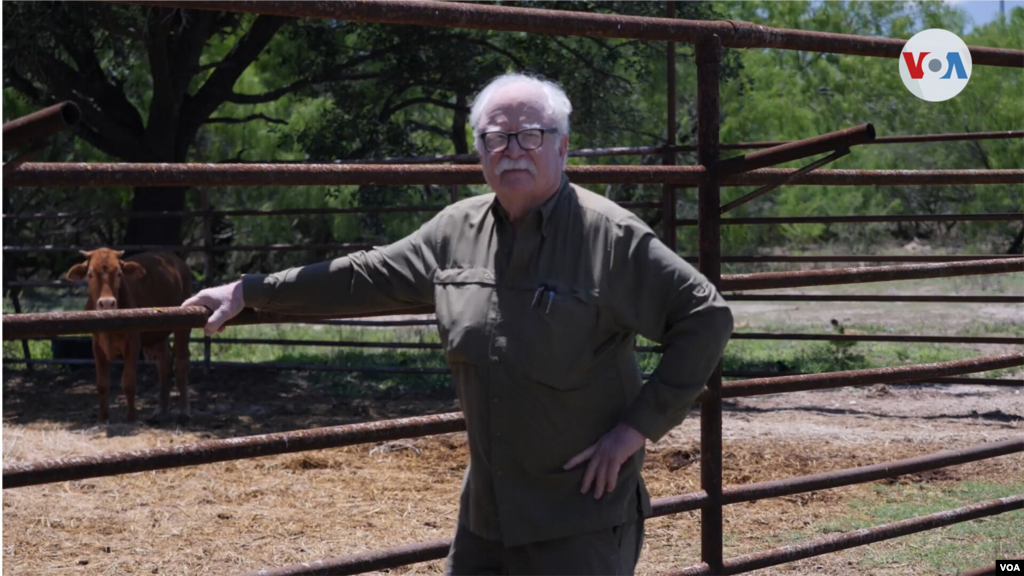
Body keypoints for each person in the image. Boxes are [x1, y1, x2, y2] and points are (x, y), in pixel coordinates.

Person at [183, 72, 733, 576]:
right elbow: (364, 275)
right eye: (497, 137)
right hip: (486, 519)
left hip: (578, 518)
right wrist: (251, 291)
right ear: (480, 151)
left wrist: (633, 430)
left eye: (531, 135)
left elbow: (705, 316)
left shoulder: (609, 238)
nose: (513, 150)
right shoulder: (456, 230)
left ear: (563, 146)